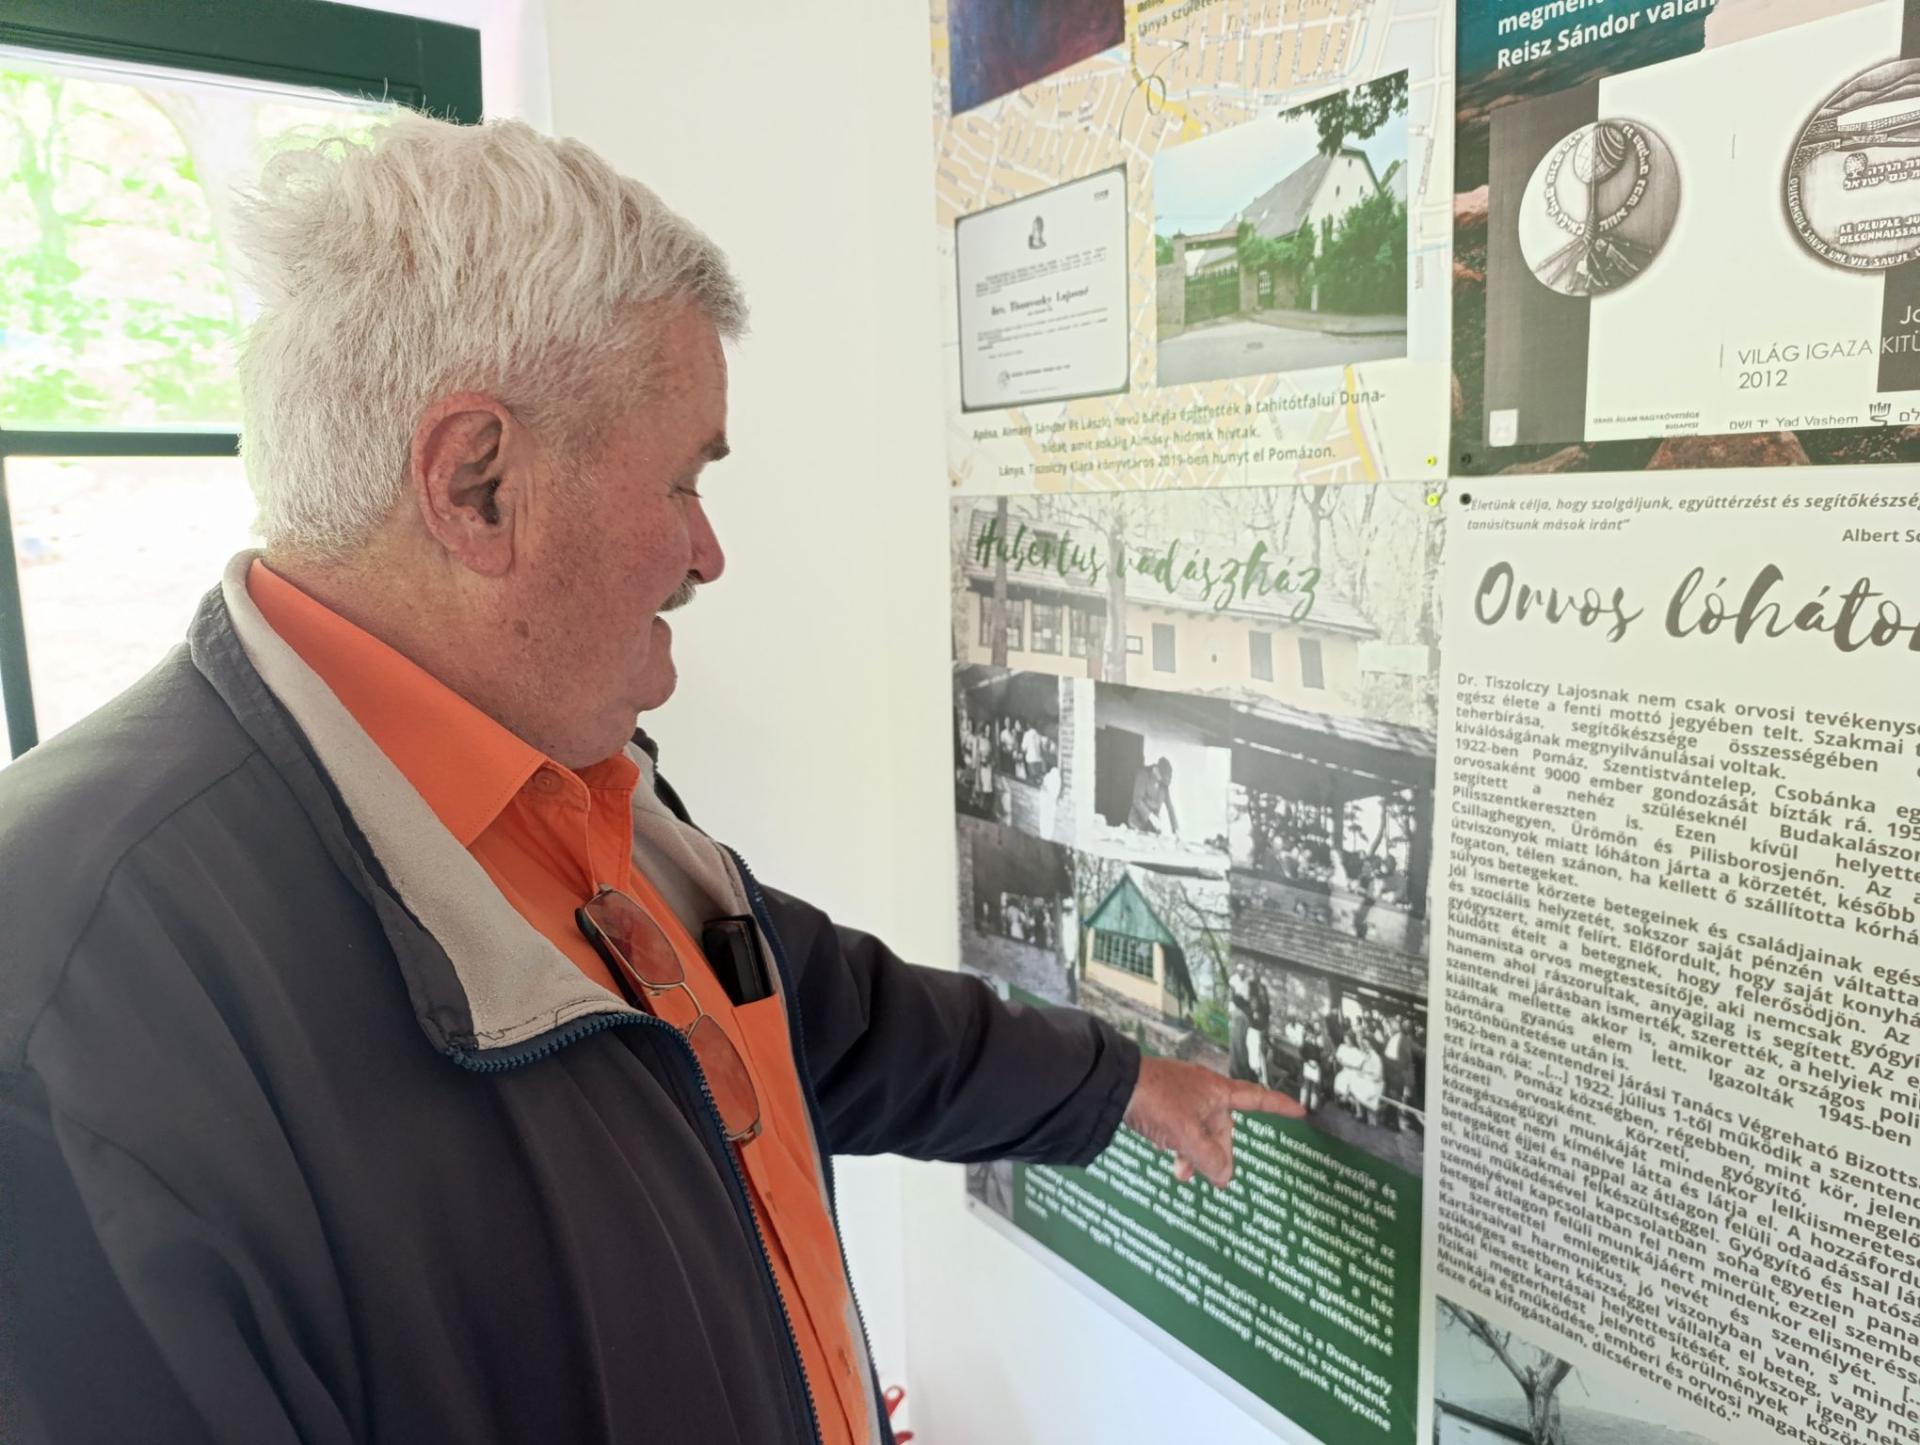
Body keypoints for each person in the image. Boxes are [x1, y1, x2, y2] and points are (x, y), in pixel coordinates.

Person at [0, 115, 1306, 1445]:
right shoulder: (63, 998)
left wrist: (1119, 1084)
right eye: (681, 480)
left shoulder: (569, 780)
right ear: (477, 485)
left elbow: (820, 1015)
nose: (708, 550)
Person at [1127, 755, 1180, 836]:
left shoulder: (1164, 784)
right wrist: (1151, 817)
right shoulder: (1143, 775)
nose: (1161, 781)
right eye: (1160, 777)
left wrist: (1176, 830)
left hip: (1153, 828)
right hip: (1137, 823)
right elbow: (1137, 800)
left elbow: (1170, 808)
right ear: (1156, 769)